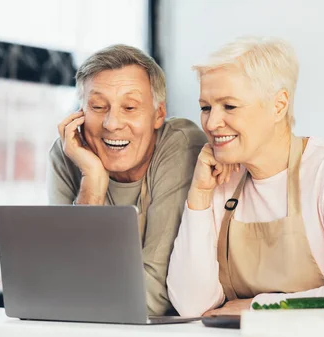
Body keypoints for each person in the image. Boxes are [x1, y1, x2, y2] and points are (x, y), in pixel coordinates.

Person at [166, 36, 324, 317]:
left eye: (229, 106)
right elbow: (191, 305)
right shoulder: (221, 179)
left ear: (278, 105)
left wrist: (257, 306)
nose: (212, 123)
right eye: (205, 107)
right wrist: (199, 195)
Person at [46, 44, 208, 315]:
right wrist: (93, 180)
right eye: (98, 106)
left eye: (130, 107)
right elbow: (59, 278)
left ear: (158, 114)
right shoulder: (68, 153)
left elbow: (155, 296)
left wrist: (69, 294)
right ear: (80, 113)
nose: (112, 123)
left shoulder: (180, 143)